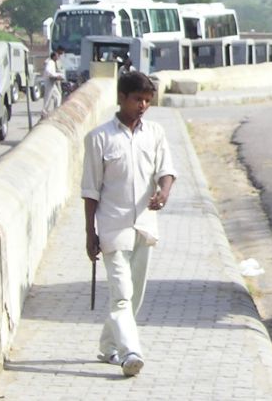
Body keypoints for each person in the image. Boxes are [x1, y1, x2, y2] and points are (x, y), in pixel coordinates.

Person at [82, 71, 176, 377]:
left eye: (148, 100)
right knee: (121, 294)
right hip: (112, 227)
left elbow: (166, 170)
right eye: (138, 99)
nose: (143, 105)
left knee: (133, 298)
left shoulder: (155, 133)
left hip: (145, 227)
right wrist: (89, 233)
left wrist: (163, 193)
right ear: (121, 98)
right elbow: (90, 190)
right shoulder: (98, 139)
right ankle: (130, 353)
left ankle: (108, 346)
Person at [41, 48, 65, 119]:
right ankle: (44, 111)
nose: (58, 57)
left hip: (52, 81)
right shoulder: (50, 62)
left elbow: (53, 72)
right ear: (54, 56)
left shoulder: (53, 62)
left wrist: (58, 75)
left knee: (58, 96)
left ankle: (56, 111)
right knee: (48, 97)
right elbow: (48, 71)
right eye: (57, 56)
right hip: (49, 81)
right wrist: (54, 76)